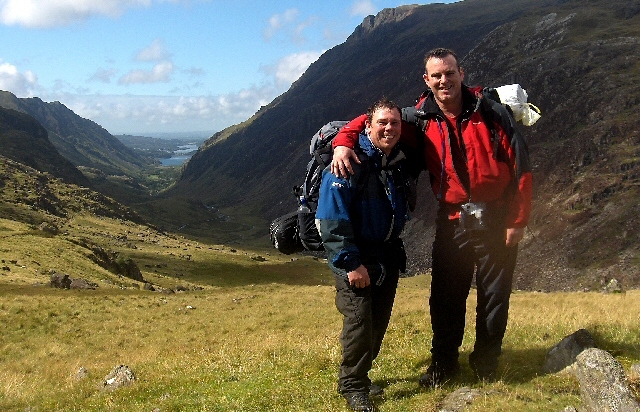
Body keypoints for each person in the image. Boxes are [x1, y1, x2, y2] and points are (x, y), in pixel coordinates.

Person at [330, 48, 532, 385]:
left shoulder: (493, 111)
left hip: (497, 217)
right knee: (446, 296)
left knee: (494, 296)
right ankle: (444, 365)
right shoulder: (418, 117)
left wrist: (517, 220)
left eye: (449, 73)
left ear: (461, 73)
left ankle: (486, 365)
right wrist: (342, 142)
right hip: (453, 221)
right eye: (436, 75)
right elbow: (369, 121)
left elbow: (522, 168)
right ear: (427, 80)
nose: (444, 80)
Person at [316, 98, 412, 411]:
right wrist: (351, 263)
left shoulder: (394, 160)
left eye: (394, 123)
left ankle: (361, 379)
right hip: (357, 258)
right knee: (359, 323)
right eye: (382, 122)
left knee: (377, 323)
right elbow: (331, 219)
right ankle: (353, 388)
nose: (389, 128)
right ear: (366, 126)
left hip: (386, 256)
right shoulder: (346, 162)